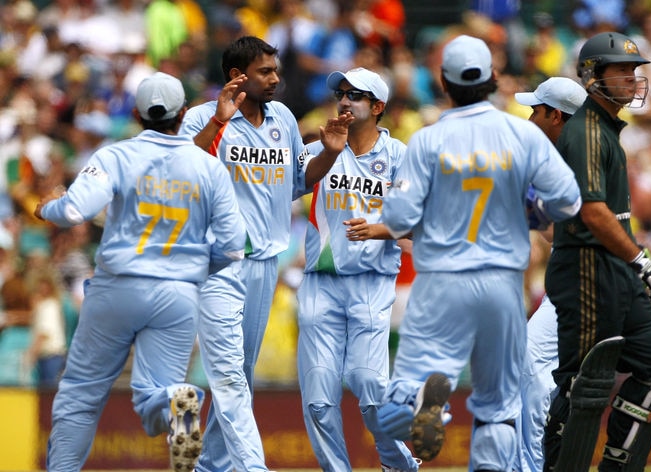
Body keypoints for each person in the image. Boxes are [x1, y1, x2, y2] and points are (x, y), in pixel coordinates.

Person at [375, 35, 582, 470]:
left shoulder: (428, 140)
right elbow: (567, 201)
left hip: (441, 283)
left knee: (397, 401)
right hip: (501, 284)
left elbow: (396, 217)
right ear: (492, 78)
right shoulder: (521, 134)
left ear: (443, 82)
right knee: (497, 407)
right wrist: (531, 210)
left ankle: (417, 402)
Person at [36, 72, 246, 472]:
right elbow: (235, 246)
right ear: (184, 114)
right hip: (178, 294)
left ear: (135, 114)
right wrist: (196, 268)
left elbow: (74, 211)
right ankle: (176, 401)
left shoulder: (115, 156)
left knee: (81, 393)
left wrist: (45, 206)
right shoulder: (208, 167)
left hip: (117, 287)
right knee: (157, 394)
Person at [178, 35, 353, 472]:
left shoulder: (283, 118)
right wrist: (219, 123)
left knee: (242, 374)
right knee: (231, 375)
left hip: (265, 261)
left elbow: (298, 181)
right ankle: (250, 465)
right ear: (238, 76)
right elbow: (179, 170)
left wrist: (328, 156)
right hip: (218, 262)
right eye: (266, 72)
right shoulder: (203, 116)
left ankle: (209, 466)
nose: (276, 79)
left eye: (276, 70)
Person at [542, 31, 651, 472]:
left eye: (635, 70)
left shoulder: (607, 130)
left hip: (616, 270)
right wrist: (642, 260)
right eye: (622, 70)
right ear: (592, 77)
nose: (633, 78)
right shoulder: (586, 132)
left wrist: (637, 261)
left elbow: (613, 216)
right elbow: (592, 212)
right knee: (584, 386)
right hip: (587, 269)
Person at [296, 66, 419, 472]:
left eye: (356, 95)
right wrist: (327, 151)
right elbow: (284, 184)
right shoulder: (321, 147)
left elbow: (423, 224)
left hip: (372, 283)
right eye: (341, 94)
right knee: (317, 399)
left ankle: (399, 465)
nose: (344, 101)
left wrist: (380, 230)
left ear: (378, 106)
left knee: (369, 386)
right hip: (320, 283)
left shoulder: (401, 157)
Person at [512, 76, 587, 472]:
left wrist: (526, 204)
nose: (529, 116)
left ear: (556, 116)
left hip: (582, 281)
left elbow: (570, 229)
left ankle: (534, 465)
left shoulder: (583, 158)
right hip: (566, 279)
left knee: (529, 357)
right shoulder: (560, 155)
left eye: (536, 110)